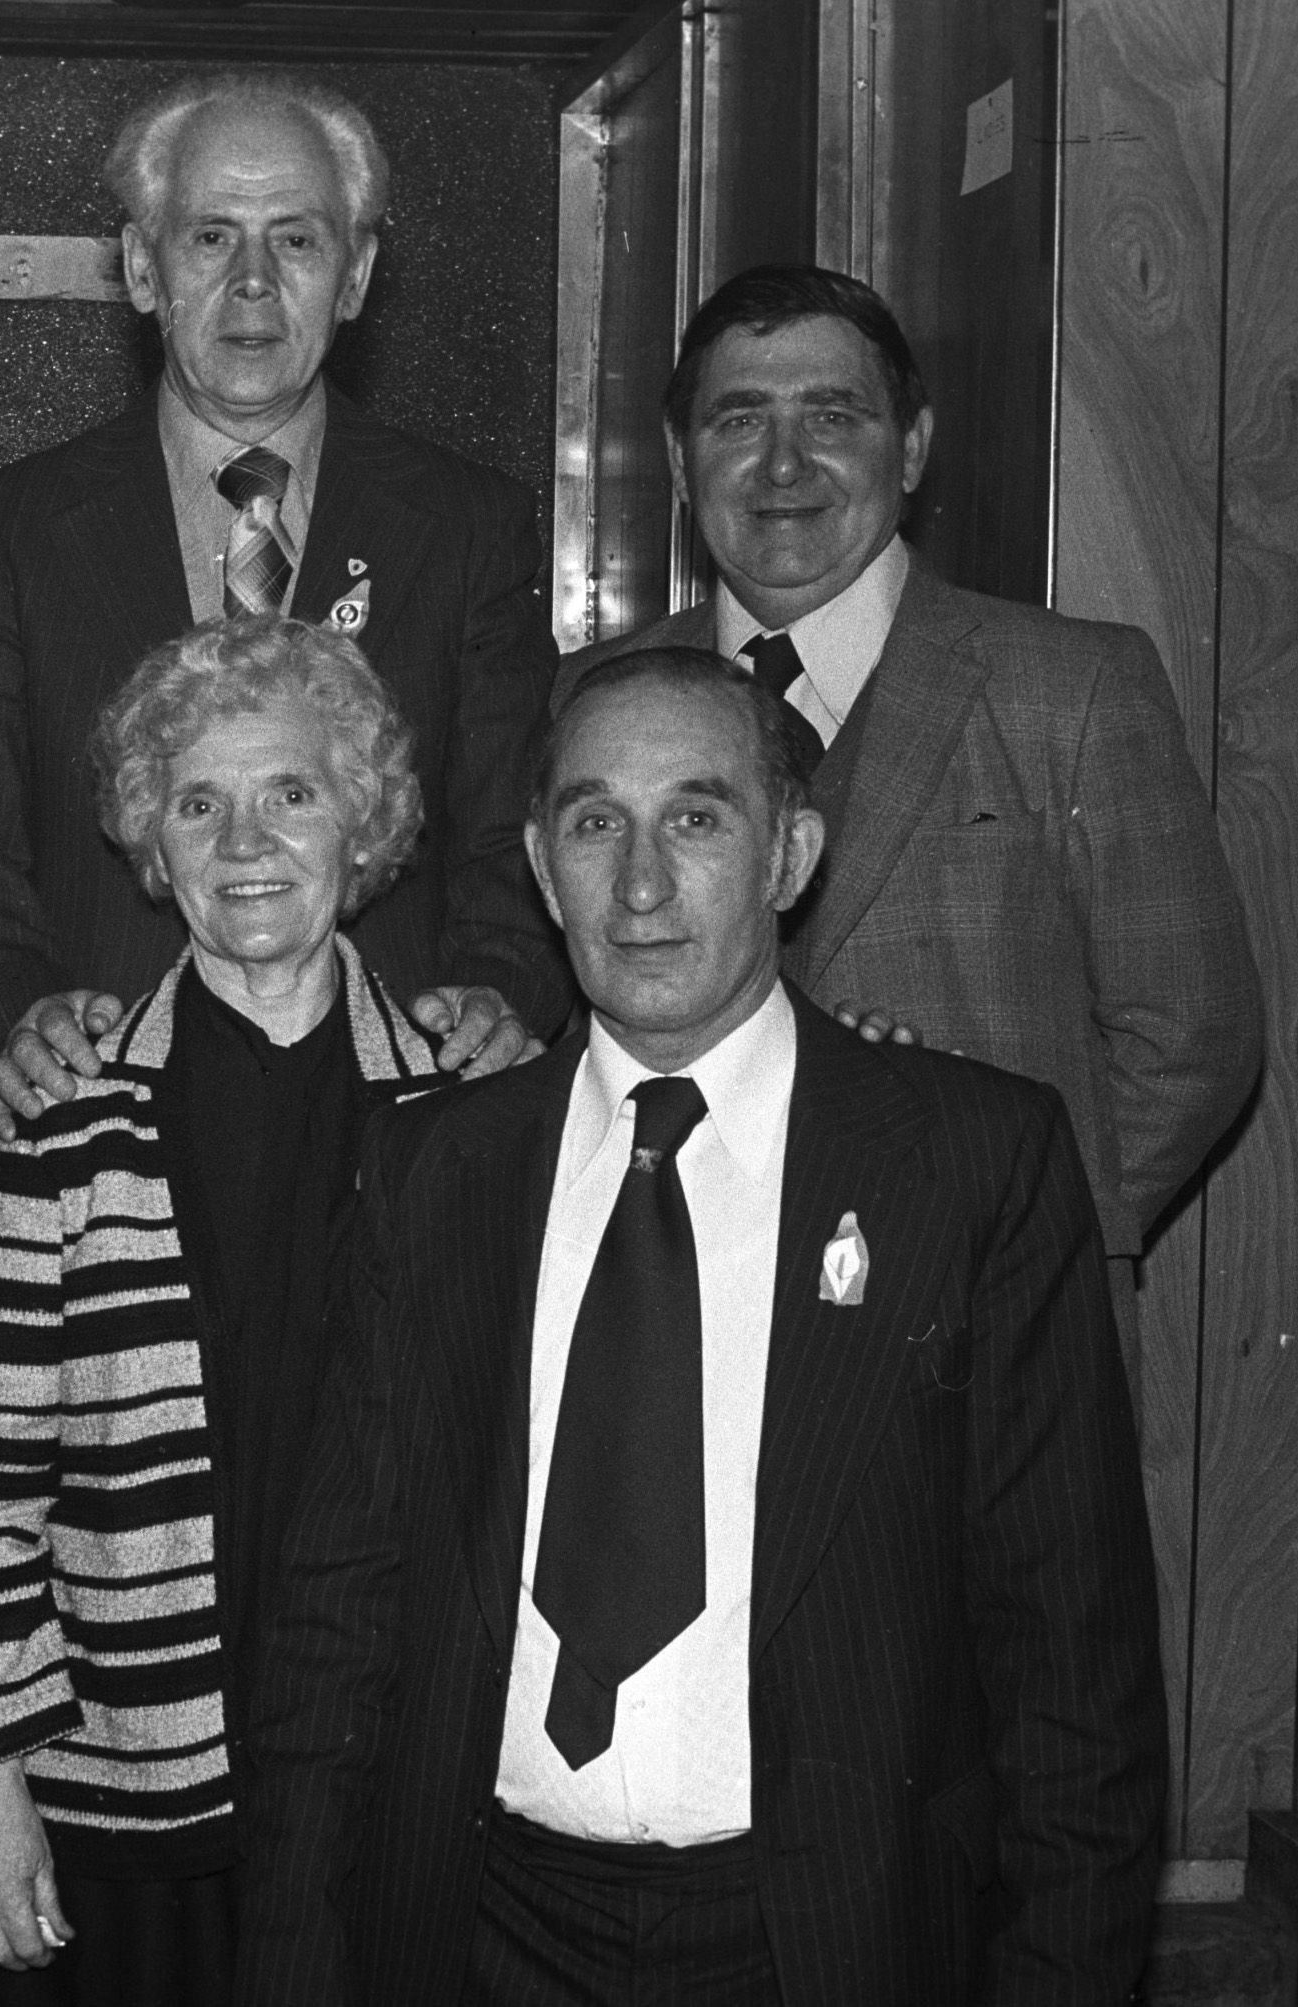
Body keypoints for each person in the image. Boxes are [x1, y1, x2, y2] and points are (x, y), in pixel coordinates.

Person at [240, 648, 1164, 2004]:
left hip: (826, 1937)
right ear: (542, 869)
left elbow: (1071, 1670)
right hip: (477, 1926)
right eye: (595, 820)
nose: (641, 883)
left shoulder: (971, 1167)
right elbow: (334, 1617)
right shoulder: (435, 1171)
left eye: (697, 815)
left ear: (790, 851)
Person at [557, 264, 1260, 1352]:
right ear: (679, 462)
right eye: (739, 419)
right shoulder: (590, 703)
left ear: (914, 448)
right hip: (672, 1327)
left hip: (992, 1339)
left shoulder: (1071, 690)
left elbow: (1192, 1037)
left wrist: (1006, 1219)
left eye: (833, 416)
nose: (784, 463)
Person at [0, 614, 452, 2007]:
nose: (245, 839)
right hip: (125, 1806)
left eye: (291, 792)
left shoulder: (470, 1115)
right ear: (151, 848)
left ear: (363, 821)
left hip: (390, 1791)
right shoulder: (60, 1121)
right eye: (198, 804)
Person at [0, 68, 568, 1135]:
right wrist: (17, 1013)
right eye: (211, 237)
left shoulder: (466, 527)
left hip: (400, 1127)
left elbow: (517, 830)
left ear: (355, 276)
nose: (254, 282)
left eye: (297, 240)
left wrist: (502, 995)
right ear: (140, 267)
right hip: (97, 1118)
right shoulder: (18, 530)